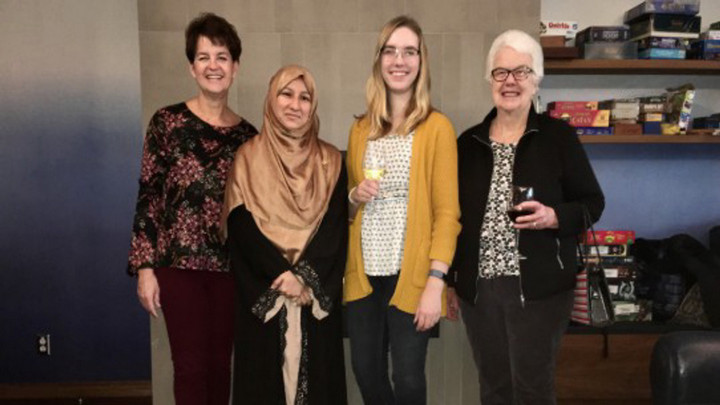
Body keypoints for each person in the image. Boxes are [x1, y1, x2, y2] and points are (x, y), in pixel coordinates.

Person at [448, 29, 605, 405]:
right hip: (479, 291)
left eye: (521, 71)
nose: (510, 82)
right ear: (490, 80)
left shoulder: (558, 137)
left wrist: (554, 216)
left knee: (533, 389)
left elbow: (592, 203)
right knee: (494, 388)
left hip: (540, 289)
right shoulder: (467, 144)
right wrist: (453, 280)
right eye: (501, 72)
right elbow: (452, 218)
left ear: (536, 80)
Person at [127, 13, 257, 405]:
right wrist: (145, 268)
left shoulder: (249, 138)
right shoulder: (167, 122)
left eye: (222, 57)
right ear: (191, 66)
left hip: (230, 268)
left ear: (235, 67)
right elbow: (148, 194)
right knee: (190, 368)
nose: (213, 66)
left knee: (221, 367)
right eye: (204, 57)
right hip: (177, 266)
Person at [344, 15, 461, 405]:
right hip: (363, 276)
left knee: (408, 378)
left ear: (420, 61)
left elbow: (447, 214)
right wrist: (354, 197)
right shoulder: (361, 129)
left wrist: (435, 282)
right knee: (365, 371)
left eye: (409, 51)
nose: (399, 60)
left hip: (410, 275)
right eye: (390, 51)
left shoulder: (437, 128)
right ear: (379, 60)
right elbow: (348, 205)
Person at [223, 65, 348, 405]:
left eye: (304, 97)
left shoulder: (331, 159)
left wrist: (304, 278)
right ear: (271, 99)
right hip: (267, 292)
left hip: (312, 295)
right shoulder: (247, 157)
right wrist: (281, 275)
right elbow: (239, 226)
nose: (295, 104)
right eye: (286, 94)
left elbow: (335, 229)